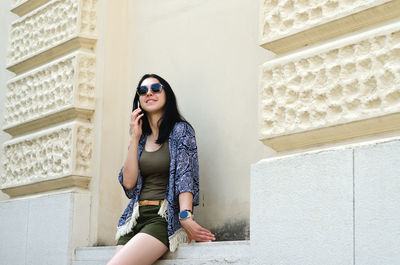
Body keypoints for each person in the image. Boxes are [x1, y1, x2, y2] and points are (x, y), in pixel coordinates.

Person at [107, 74, 215, 265]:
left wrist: (185, 216)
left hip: (161, 217)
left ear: (167, 95)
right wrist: (134, 137)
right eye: (143, 91)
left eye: (155, 88)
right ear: (138, 100)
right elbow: (129, 184)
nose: (149, 93)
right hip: (134, 218)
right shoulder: (140, 139)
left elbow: (185, 175)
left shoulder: (181, 131)